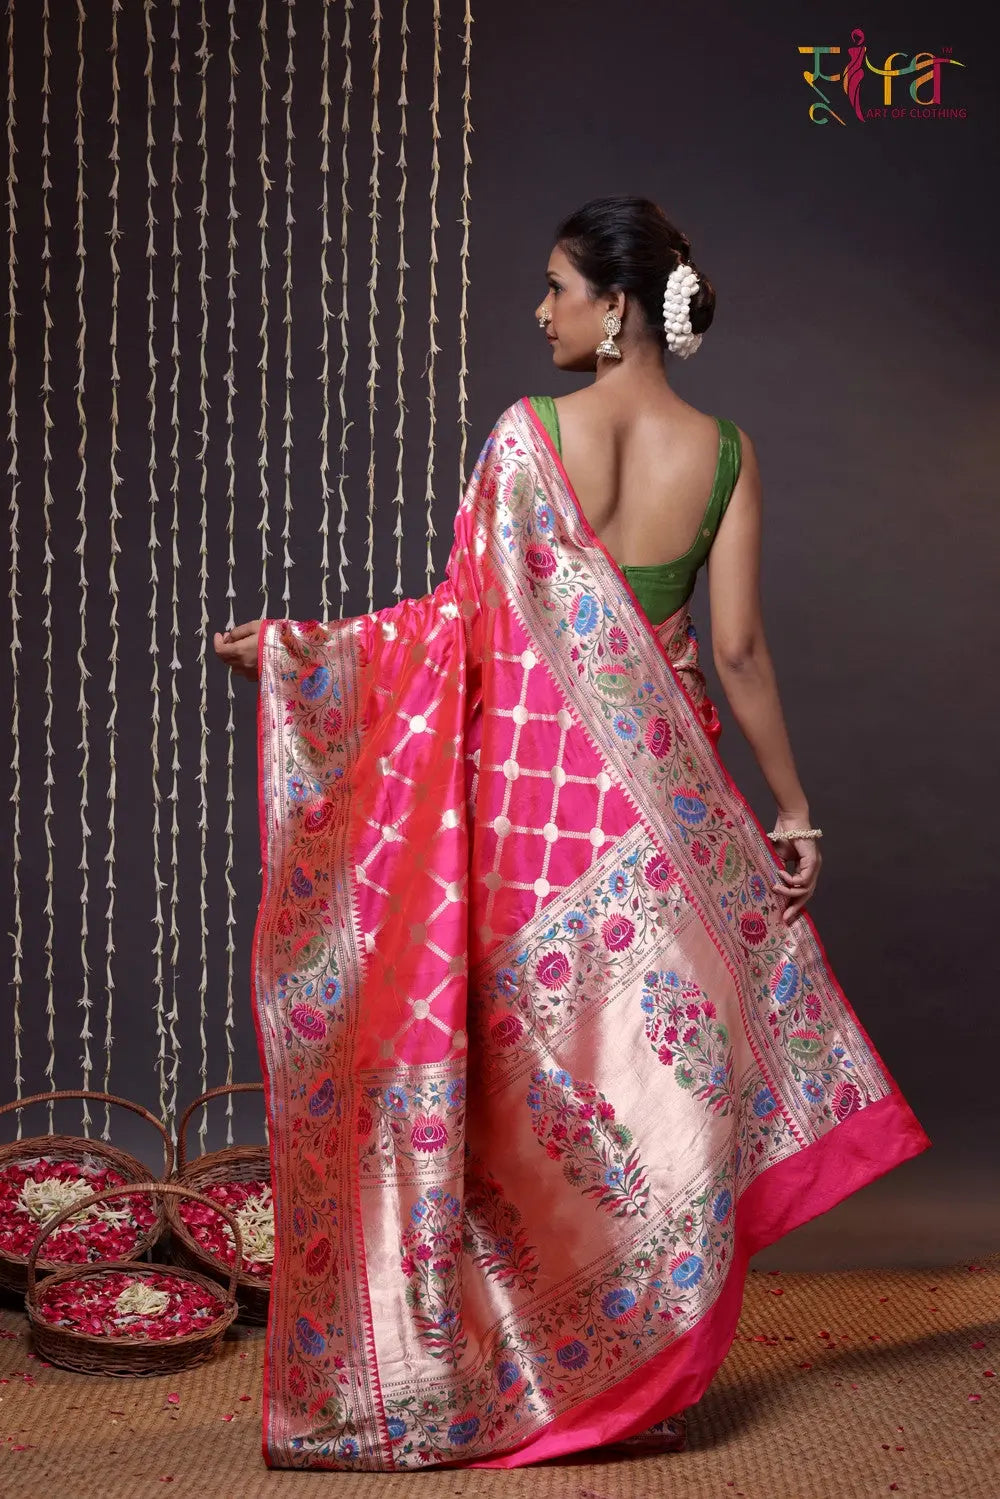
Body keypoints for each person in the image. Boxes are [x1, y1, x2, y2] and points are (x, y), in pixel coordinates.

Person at [214, 196, 929, 1473]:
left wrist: (303, 656)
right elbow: (738, 651)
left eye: (556, 287)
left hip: (532, 823)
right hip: (665, 826)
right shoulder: (724, 453)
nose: (540, 310)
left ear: (616, 303)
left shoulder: (528, 437)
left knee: (527, 1103)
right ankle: (623, 1370)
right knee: (643, 1095)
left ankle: (525, 1368)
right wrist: (791, 809)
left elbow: (456, 628)